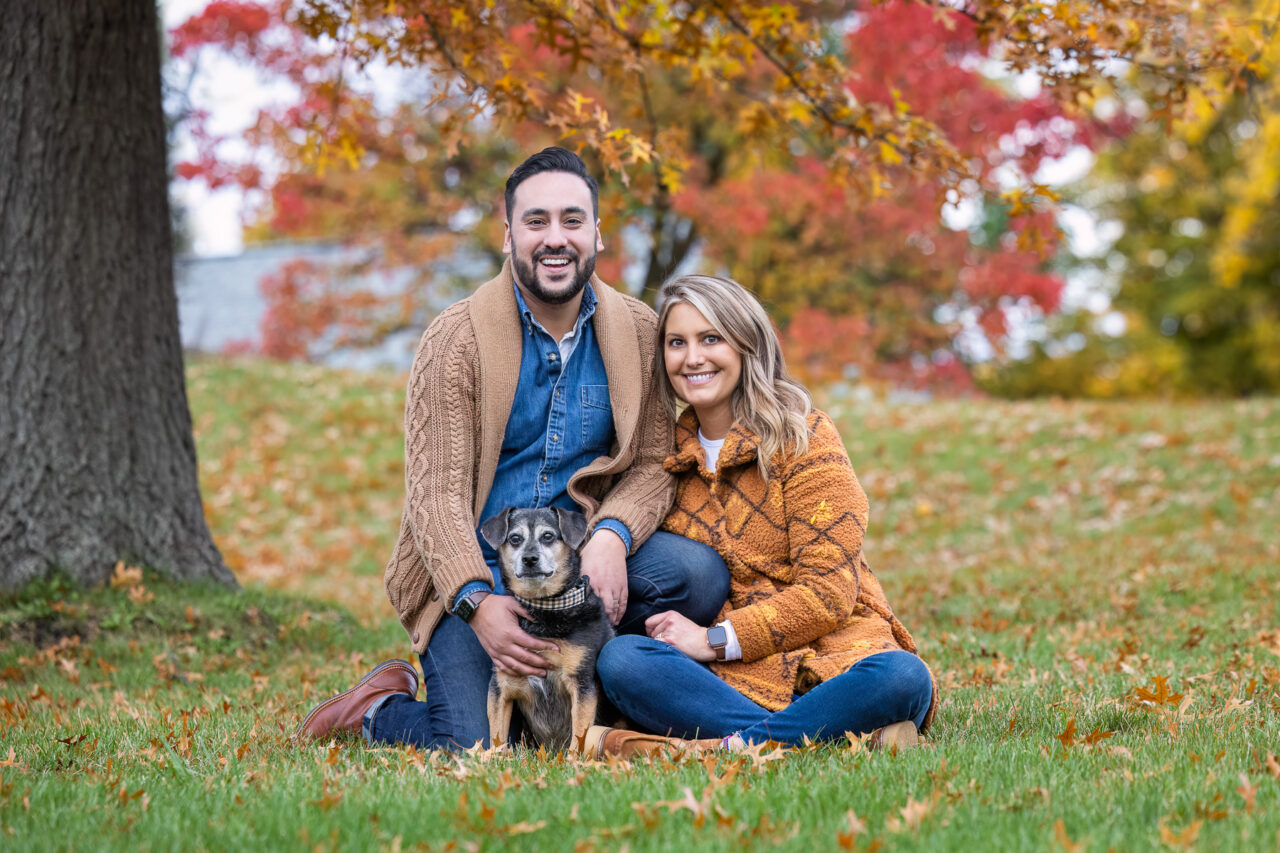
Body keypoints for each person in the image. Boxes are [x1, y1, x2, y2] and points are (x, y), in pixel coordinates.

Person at [294, 148, 728, 749]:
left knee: (697, 574)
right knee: (476, 742)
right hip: (478, 572)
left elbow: (655, 461)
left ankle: (611, 678)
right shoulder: (455, 340)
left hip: (577, 565)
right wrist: (477, 604)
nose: (556, 238)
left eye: (573, 221)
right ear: (508, 236)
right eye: (537, 221)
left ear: (597, 234)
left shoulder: (637, 331)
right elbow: (436, 497)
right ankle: (376, 710)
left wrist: (610, 536)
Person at [583, 274, 937, 758]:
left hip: (834, 656)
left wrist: (712, 639)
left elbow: (830, 592)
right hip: (731, 681)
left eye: (711, 339)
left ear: (748, 346)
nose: (693, 358)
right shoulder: (665, 461)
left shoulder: (805, 440)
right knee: (623, 661)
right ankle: (830, 737)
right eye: (676, 343)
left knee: (904, 676)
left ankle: (724, 746)